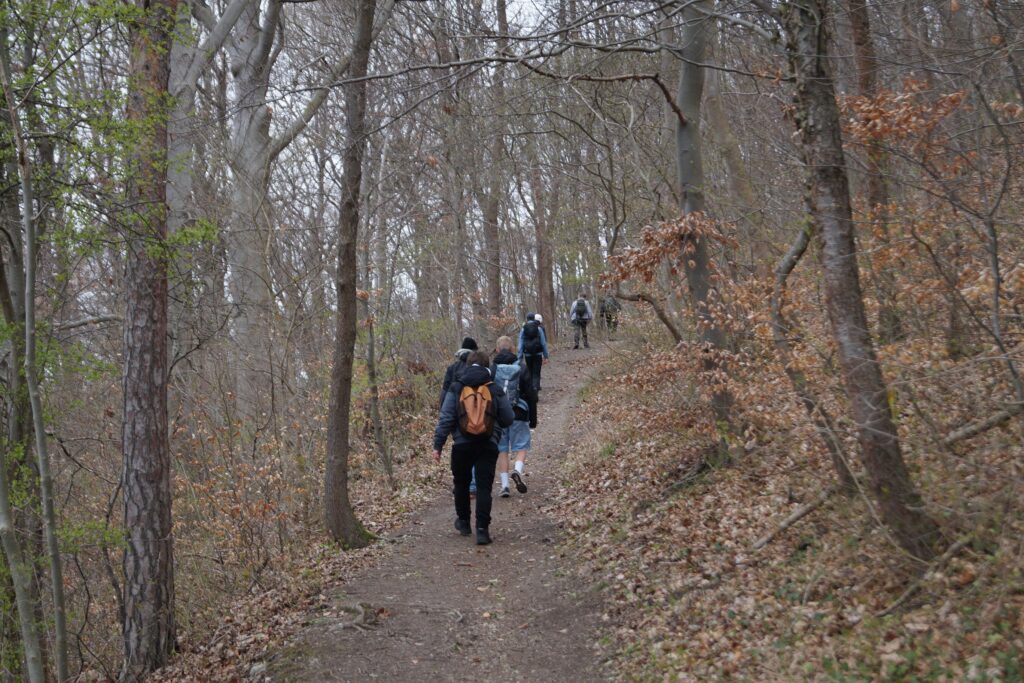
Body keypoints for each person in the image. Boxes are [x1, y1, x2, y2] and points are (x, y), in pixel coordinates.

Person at [433, 350, 514, 545]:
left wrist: (438, 445)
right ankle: (482, 530)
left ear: (467, 365)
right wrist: (494, 425)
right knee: (484, 486)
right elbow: (508, 418)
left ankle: (463, 523)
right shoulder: (494, 388)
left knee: (461, 483)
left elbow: (446, 417)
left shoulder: (456, 387)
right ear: (487, 366)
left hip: (462, 444)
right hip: (488, 443)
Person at [492, 336, 537, 498]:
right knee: (521, 446)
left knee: (502, 450)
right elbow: (531, 395)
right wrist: (533, 419)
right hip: (519, 413)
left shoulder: (493, 369)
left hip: (499, 416)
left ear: (497, 350)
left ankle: (505, 486)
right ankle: (517, 470)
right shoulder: (522, 368)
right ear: (513, 349)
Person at [439, 336, 480, 496]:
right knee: (475, 447)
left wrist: (444, 413)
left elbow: (445, 393)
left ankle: (463, 483)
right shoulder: (479, 368)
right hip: (476, 412)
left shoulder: (452, 368)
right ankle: (473, 485)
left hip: (457, 415)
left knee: (461, 447)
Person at [517, 313, 549, 392]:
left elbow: (520, 344)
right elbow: (543, 343)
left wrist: (520, 357)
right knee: (537, 370)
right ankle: (536, 386)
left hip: (528, 354)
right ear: (534, 318)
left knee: (530, 370)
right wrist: (546, 355)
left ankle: (532, 386)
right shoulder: (539, 329)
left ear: (527, 319)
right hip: (538, 353)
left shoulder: (523, 329)